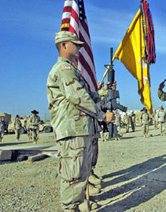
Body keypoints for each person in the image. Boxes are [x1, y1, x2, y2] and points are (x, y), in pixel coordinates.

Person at [46, 31, 104, 211]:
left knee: (81, 174)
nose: (79, 48)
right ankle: (71, 208)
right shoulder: (64, 69)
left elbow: (83, 95)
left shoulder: (70, 69)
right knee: (73, 176)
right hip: (72, 130)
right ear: (64, 45)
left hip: (79, 129)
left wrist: (99, 94)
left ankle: (79, 204)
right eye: (75, 44)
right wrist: (101, 115)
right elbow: (77, 97)